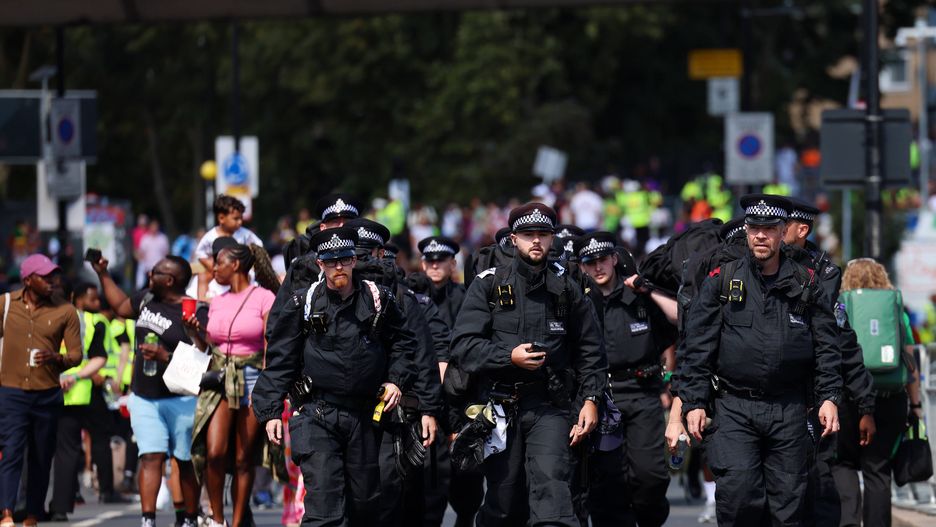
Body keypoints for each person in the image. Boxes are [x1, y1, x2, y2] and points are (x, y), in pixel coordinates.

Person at [678, 194, 842, 527]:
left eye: (769, 229)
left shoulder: (806, 284)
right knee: (739, 499)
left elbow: (827, 346)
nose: (761, 236)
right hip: (735, 408)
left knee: (788, 507)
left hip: (789, 408)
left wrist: (829, 397)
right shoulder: (723, 280)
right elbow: (697, 347)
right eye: (754, 228)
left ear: (783, 232)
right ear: (747, 232)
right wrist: (693, 402)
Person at [449, 203, 607, 527]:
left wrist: (591, 399)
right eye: (528, 234)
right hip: (500, 406)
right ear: (513, 239)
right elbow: (464, 347)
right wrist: (509, 356)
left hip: (549, 405)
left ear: (552, 239)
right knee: (505, 504)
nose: (536, 240)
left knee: (554, 494)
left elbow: (591, 350)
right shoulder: (489, 284)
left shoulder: (567, 288)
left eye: (543, 234)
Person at [252, 227, 418, 526]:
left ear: (354, 260)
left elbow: (404, 343)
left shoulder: (378, 299)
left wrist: (396, 380)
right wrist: (271, 411)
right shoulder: (303, 303)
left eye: (344, 259)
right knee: (324, 507)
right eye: (330, 261)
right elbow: (280, 360)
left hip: (365, 417)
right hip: (317, 414)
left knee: (365, 506)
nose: (338, 267)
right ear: (320, 264)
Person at [781, 198, 877, 527]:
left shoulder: (822, 275)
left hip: (810, 398)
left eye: (782, 226)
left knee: (817, 481)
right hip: (765, 397)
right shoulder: (756, 266)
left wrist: (864, 403)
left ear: (801, 230)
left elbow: (842, 342)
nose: (773, 232)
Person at [93, 255, 207, 527]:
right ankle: (148, 520)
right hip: (145, 396)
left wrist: (165, 356)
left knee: (185, 460)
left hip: (182, 398)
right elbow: (120, 306)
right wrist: (102, 274)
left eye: (155, 272)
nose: (149, 275)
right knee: (150, 456)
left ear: (169, 280)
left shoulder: (195, 310)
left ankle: (190, 518)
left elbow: (205, 354)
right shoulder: (147, 299)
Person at [574, 232, 676, 527]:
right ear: (581, 266)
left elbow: (681, 318)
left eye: (602, 259)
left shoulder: (638, 294)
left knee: (650, 476)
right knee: (608, 480)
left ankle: (650, 518)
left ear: (614, 259)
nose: (598, 267)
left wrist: (649, 290)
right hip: (601, 397)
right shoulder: (579, 300)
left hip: (642, 392)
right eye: (589, 262)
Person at [185, 240, 276, 527]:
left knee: (242, 459)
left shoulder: (263, 298)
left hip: (252, 380)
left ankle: (236, 522)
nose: (213, 269)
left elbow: (270, 346)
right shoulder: (218, 301)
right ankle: (217, 518)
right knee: (213, 453)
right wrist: (195, 333)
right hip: (220, 380)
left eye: (219, 263)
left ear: (235, 265)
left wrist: (269, 387)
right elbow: (209, 346)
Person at [831, 258, 921, 527]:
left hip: (848, 398)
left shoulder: (841, 305)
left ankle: (848, 522)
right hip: (890, 398)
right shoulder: (896, 310)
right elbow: (910, 361)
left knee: (842, 463)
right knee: (878, 469)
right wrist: (916, 405)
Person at [0, 254, 83, 527]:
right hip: (11, 392)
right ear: (28, 280)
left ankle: (33, 514)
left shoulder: (65, 311)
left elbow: (76, 355)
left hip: (47, 394)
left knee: (41, 455)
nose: (52, 281)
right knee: (11, 451)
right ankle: (6, 513)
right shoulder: (6, 304)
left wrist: (56, 358)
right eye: (45, 277)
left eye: (54, 276)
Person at [49, 283, 128, 521]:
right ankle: (103, 490)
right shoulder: (93, 321)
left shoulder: (44, 318)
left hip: (57, 390)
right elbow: (99, 356)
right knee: (95, 441)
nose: (97, 304)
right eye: (92, 299)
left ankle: (56, 504)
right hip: (85, 388)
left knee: (61, 448)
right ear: (75, 297)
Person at [194, 195, 264, 301]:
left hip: (240, 272)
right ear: (221, 218)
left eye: (241, 218)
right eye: (236, 219)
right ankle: (206, 301)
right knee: (203, 276)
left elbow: (259, 247)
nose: (240, 222)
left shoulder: (245, 234)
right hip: (219, 272)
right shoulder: (210, 236)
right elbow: (200, 253)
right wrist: (212, 266)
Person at [418, 236, 465, 330]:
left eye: (440, 260)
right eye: (430, 261)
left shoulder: (464, 295)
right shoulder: (414, 295)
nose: (435, 266)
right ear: (423, 264)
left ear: (453, 264)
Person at [137, 219, 170, 290]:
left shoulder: (162, 238)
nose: (154, 228)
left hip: (160, 268)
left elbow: (166, 252)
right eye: (153, 226)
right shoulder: (145, 239)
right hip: (148, 268)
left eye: (156, 226)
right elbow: (141, 253)